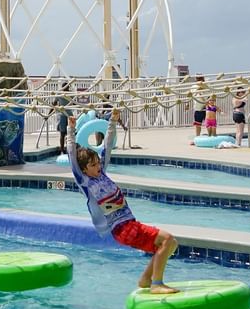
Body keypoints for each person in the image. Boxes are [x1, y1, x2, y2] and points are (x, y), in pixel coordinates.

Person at [68, 112, 179, 294]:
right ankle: (156, 284)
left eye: (98, 163)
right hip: (122, 229)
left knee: (169, 244)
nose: (98, 167)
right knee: (168, 240)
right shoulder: (86, 182)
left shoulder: (101, 174)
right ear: (84, 170)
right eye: (93, 165)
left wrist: (112, 122)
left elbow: (107, 147)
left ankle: (145, 279)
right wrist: (70, 130)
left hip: (129, 225)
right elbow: (73, 158)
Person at [51, 81, 71, 154]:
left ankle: (66, 150)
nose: (67, 89)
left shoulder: (70, 94)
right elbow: (54, 104)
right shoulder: (59, 94)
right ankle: (63, 150)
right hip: (63, 115)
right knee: (63, 134)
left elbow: (54, 104)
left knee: (68, 134)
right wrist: (48, 114)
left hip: (68, 115)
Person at [191, 76, 207, 142]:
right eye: (198, 79)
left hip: (206, 108)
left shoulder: (205, 86)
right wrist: (187, 104)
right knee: (198, 125)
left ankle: (211, 136)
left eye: (201, 79)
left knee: (209, 124)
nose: (200, 80)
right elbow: (191, 96)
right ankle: (197, 137)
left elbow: (208, 97)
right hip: (198, 108)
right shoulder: (193, 87)